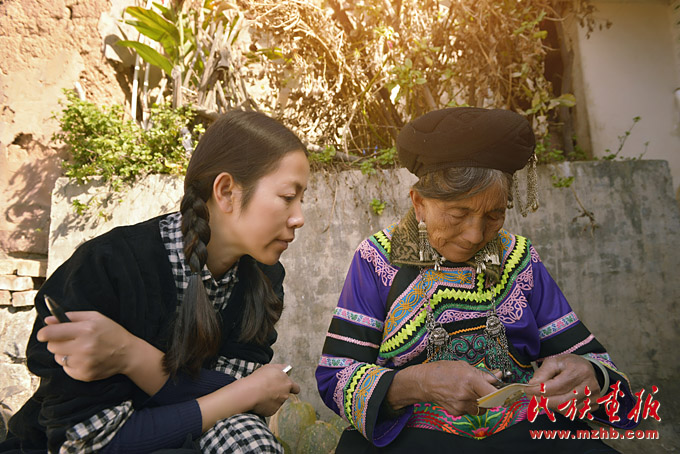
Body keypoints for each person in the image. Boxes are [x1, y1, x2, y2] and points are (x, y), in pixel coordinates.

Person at [315, 107, 637, 453]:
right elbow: (336, 377)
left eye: (494, 215)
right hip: (415, 440)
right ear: (419, 203)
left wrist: (591, 375)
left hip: (527, 433)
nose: (475, 235)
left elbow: (597, 367)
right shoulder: (377, 259)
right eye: (459, 214)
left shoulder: (519, 257)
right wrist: (417, 383)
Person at [1, 110, 309, 453]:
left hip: (197, 432)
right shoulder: (108, 268)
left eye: (302, 199)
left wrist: (132, 355)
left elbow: (237, 399)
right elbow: (87, 441)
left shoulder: (262, 278)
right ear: (226, 192)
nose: (299, 217)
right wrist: (245, 392)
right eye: (288, 197)